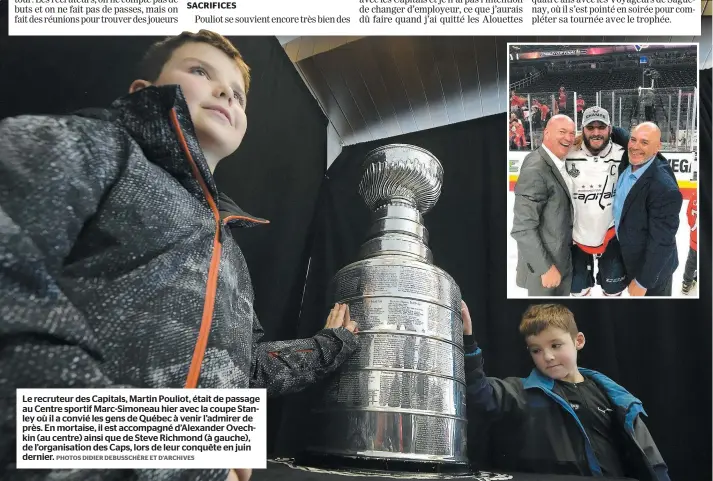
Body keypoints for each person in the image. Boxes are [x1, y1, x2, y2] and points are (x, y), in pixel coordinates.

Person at [0, 31, 359, 481]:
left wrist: (330, 346)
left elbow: (241, 368)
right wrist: (186, 455)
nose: (227, 92)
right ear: (144, 91)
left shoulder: (231, 251)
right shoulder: (88, 146)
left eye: (239, 94)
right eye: (200, 71)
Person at [462, 301, 670, 480]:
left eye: (556, 345)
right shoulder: (522, 392)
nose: (548, 356)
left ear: (578, 341)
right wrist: (467, 342)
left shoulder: (613, 395)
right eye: (537, 350)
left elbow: (651, 460)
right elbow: (479, 394)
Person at [613, 122, 682, 296]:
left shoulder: (664, 188)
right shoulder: (629, 159)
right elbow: (619, 133)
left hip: (652, 273)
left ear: (657, 147)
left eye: (644, 143)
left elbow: (662, 242)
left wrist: (643, 282)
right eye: (633, 140)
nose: (635, 147)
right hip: (629, 259)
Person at [565, 107, 627, 296]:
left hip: (612, 236)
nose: (596, 132)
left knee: (613, 290)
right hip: (576, 237)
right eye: (590, 127)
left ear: (610, 129)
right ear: (582, 129)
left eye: (601, 127)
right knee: (579, 291)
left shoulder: (624, 155)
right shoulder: (567, 155)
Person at [511, 115, 575, 296]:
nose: (569, 138)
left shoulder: (548, 158)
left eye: (572, 133)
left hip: (560, 260)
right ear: (546, 133)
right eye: (562, 132)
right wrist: (545, 268)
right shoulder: (536, 169)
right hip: (546, 270)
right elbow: (523, 228)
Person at [682, 189, 698, 295]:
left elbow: (688, 212)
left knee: (692, 261)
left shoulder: (695, 195)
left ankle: (686, 284)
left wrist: (693, 227)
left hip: (695, 238)